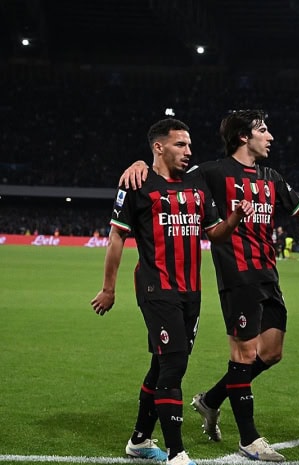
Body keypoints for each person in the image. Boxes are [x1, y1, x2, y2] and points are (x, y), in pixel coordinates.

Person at [119, 110, 299, 461]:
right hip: (236, 277)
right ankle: (250, 438)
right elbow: (166, 172)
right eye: (263, 130)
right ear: (244, 137)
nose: (270, 136)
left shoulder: (271, 176)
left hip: (269, 274)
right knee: (241, 356)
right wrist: (139, 162)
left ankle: (210, 400)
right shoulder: (212, 172)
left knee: (271, 353)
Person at [92, 118, 252, 465]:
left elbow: (215, 233)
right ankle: (176, 452)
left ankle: (138, 441)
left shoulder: (197, 184)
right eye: (181, 144)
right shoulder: (136, 184)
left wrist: (236, 217)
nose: (188, 150)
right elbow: (117, 236)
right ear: (158, 147)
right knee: (174, 365)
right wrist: (108, 289)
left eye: (190, 144)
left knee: (162, 364)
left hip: (191, 291)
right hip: (155, 287)